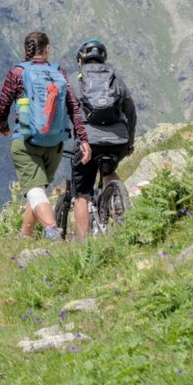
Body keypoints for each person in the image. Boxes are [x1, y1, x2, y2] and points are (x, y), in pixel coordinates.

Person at [0, 31, 91, 239]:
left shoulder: (18, 73)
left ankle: (51, 229)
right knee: (38, 189)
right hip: (54, 143)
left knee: (34, 190)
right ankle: (25, 236)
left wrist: (3, 125)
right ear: (47, 49)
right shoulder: (59, 72)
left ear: (25, 50)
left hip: (26, 141)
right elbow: (73, 107)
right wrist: (83, 138)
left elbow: (3, 105)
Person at [68, 39, 137, 240]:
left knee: (82, 194)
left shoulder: (73, 80)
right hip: (119, 140)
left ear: (80, 61)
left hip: (88, 142)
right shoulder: (115, 79)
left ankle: (84, 244)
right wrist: (130, 143)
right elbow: (131, 113)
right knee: (109, 170)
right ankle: (121, 204)